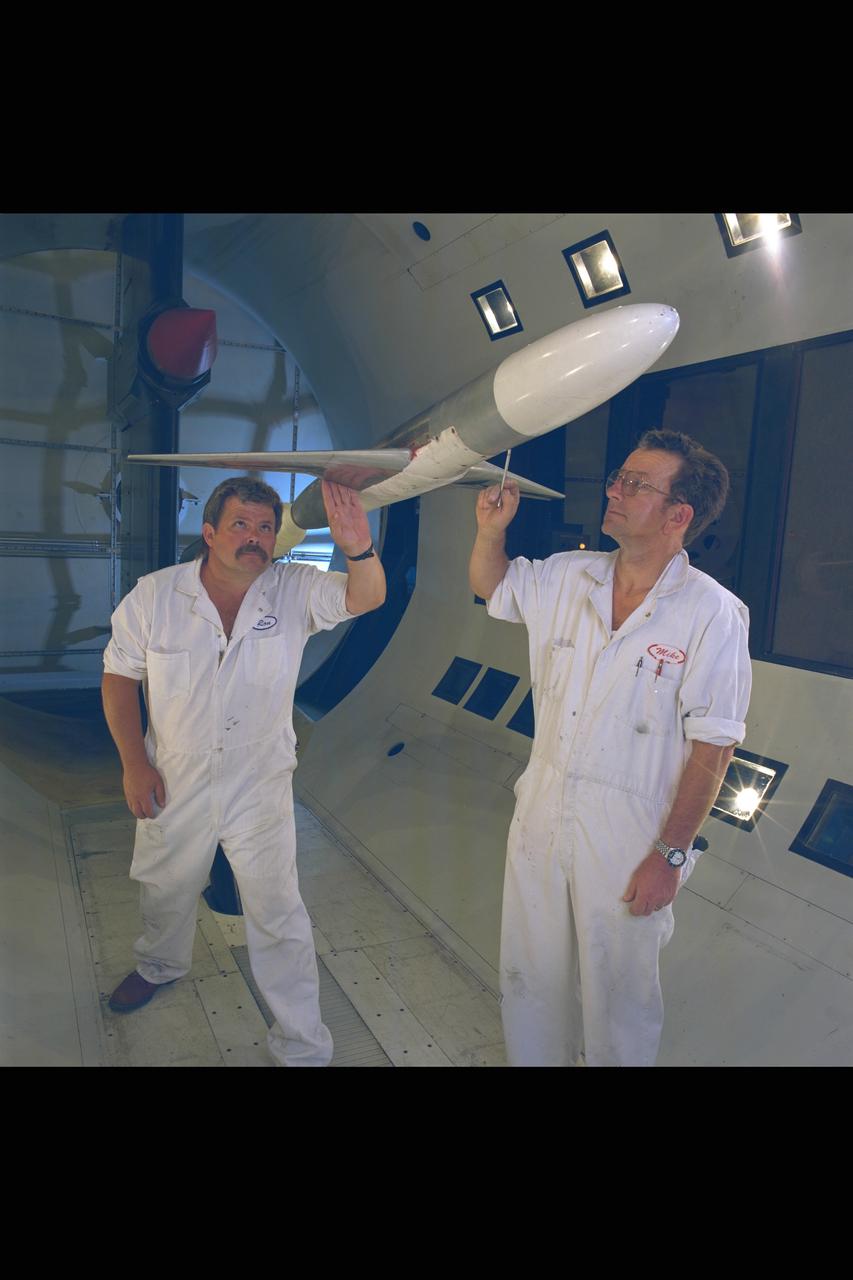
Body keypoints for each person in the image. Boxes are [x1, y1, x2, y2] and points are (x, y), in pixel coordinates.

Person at [470, 429, 751, 1067]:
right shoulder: (570, 576)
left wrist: (670, 855)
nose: (614, 491)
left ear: (679, 515)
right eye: (619, 477)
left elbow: (713, 749)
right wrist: (491, 531)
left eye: (636, 485)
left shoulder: (712, 615)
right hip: (543, 809)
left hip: (631, 834)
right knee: (530, 979)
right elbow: (495, 587)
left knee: (618, 1001)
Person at [101, 476, 385, 1067]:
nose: (254, 539)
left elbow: (367, 598)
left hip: (260, 782)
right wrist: (134, 763)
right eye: (240, 525)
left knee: (278, 909)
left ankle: (302, 1044)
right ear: (209, 533)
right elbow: (119, 676)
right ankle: (159, 965)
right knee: (166, 885)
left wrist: (358, 546)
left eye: (263, 527)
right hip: (174, 776)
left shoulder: (293, 590)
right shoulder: (154, 597)